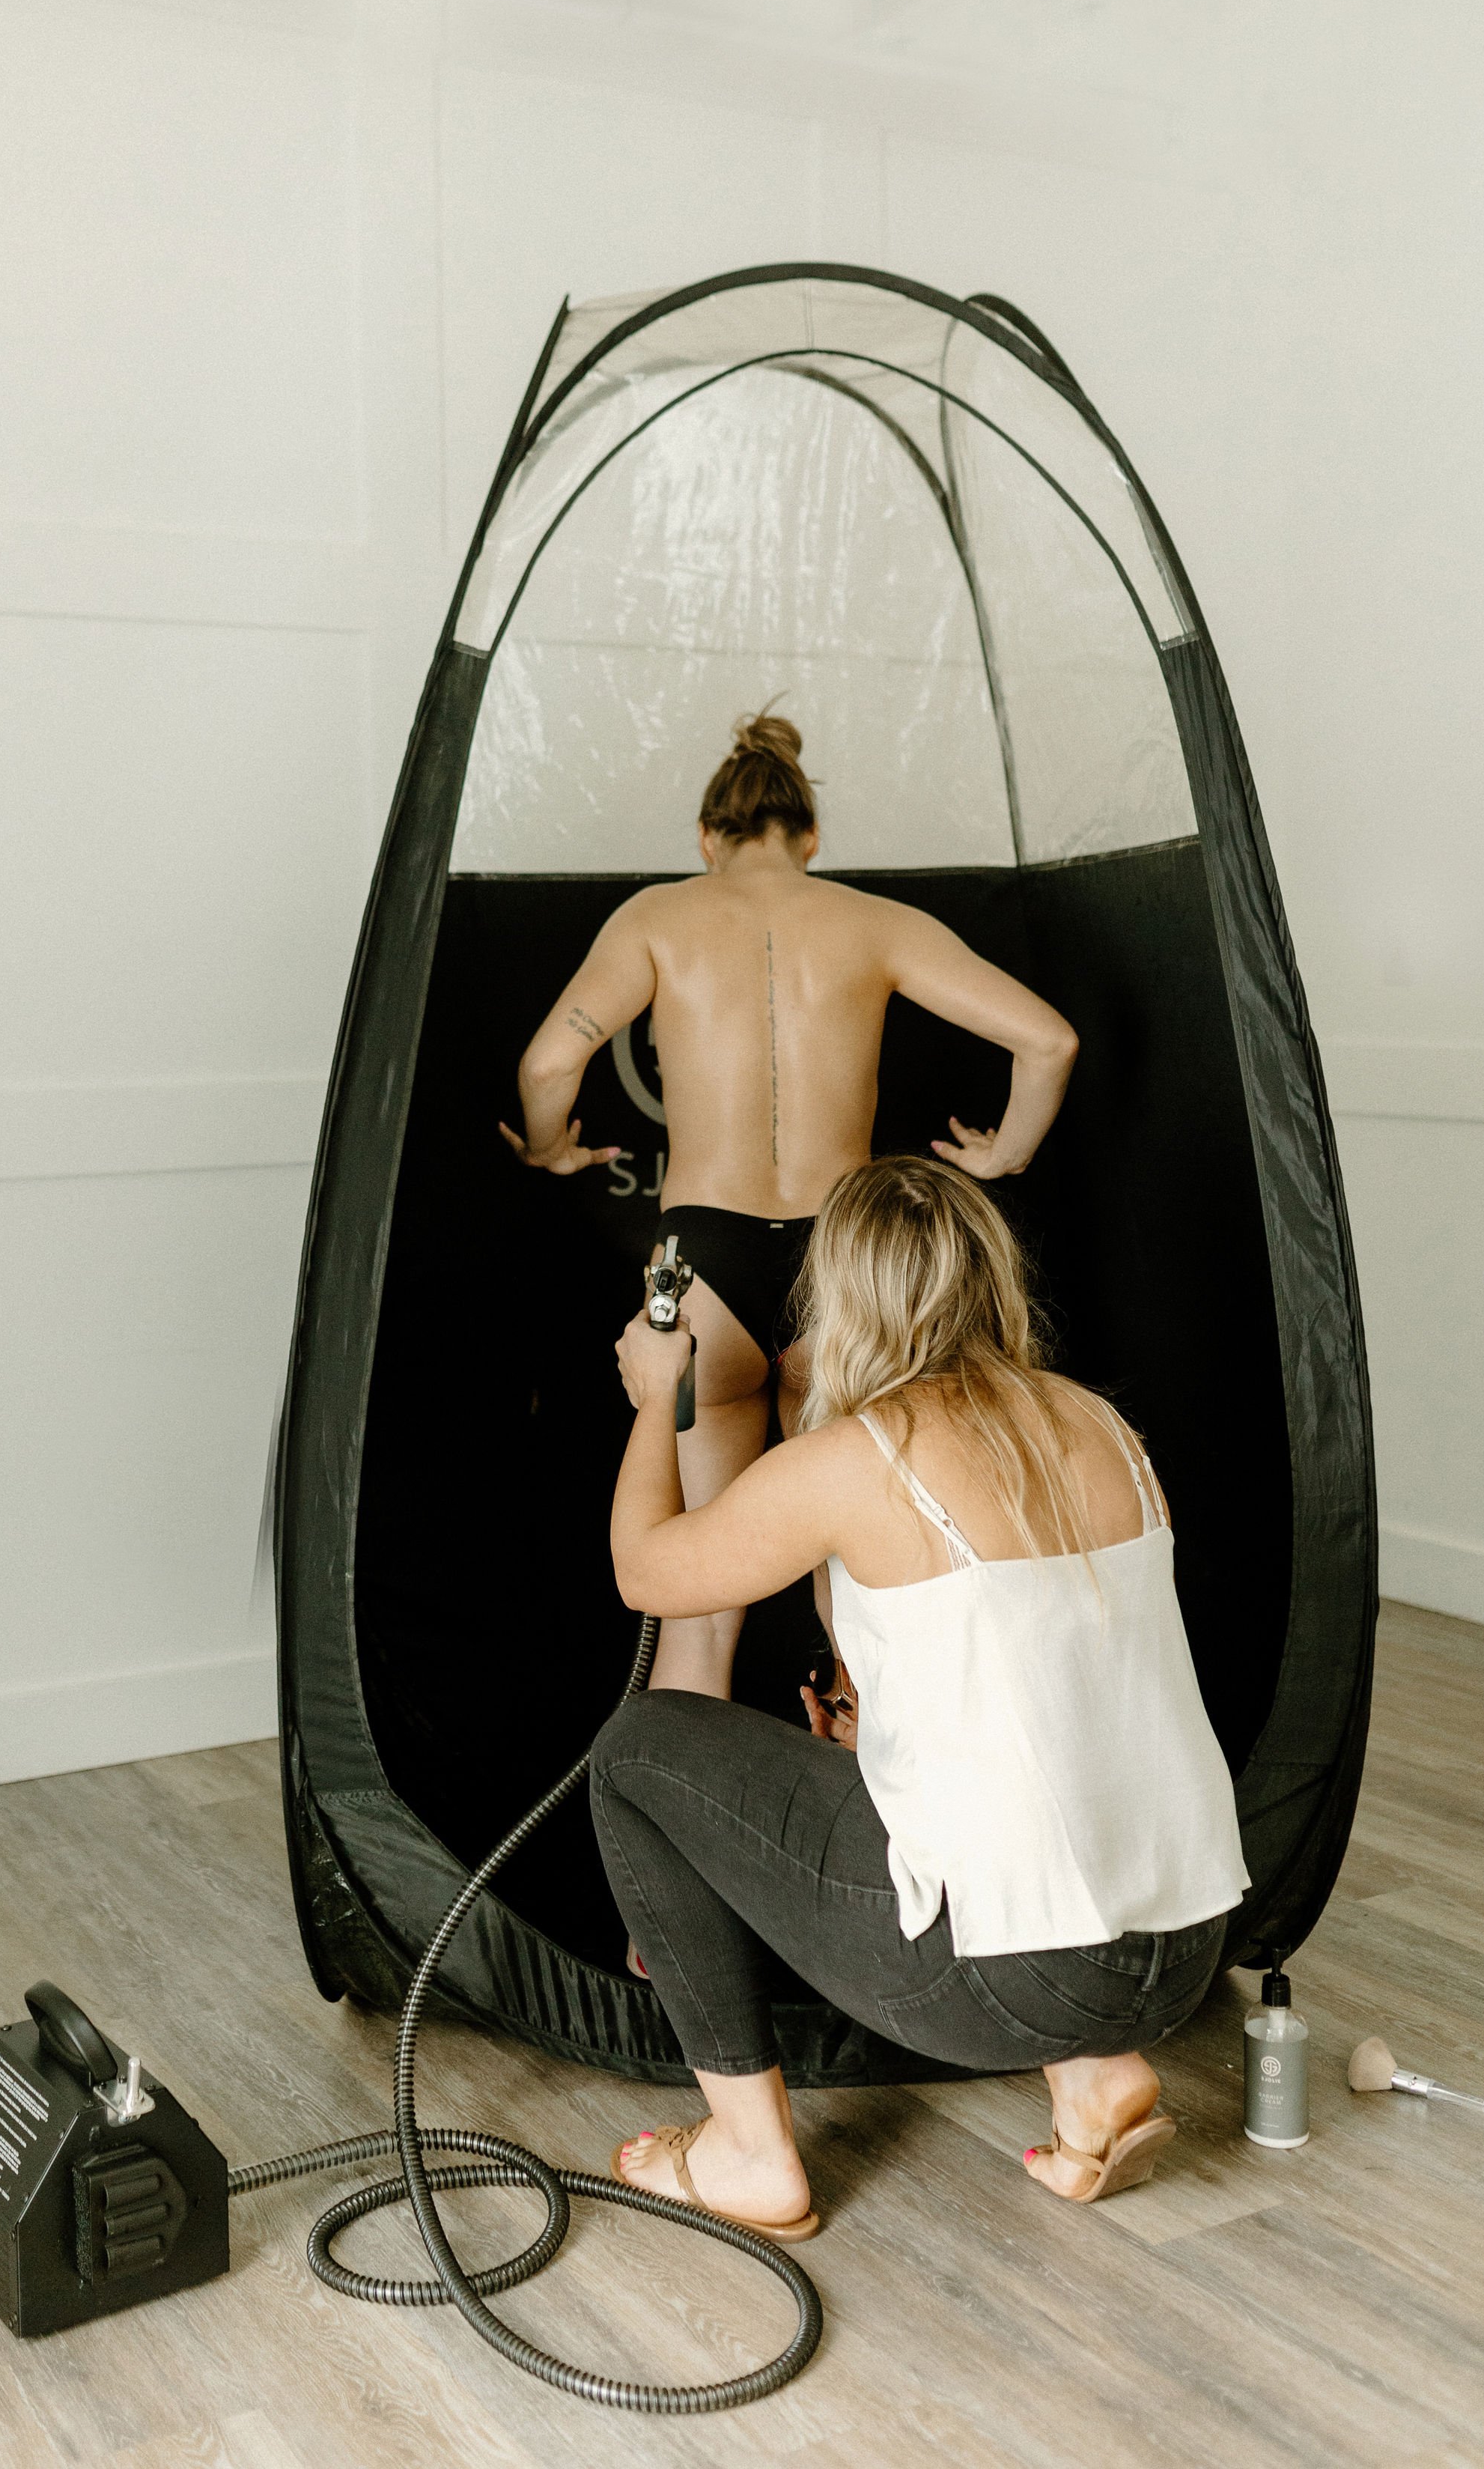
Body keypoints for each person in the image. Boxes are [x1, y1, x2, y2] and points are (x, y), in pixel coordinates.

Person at [590, 1154, 1249, 2230]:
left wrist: (660, 1397)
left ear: (839, 1298)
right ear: (994, 1280)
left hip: (1010, 1982)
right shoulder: (1103, 1430)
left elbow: (645, 1571)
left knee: (638, 1750)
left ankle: (751, 2153)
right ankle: (1094, 2074)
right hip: (1180, 1958)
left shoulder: (857, 1458)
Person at [500, 712, 1080, 1699]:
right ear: (810, 837)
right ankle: (879, 1837)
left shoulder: (657, 917)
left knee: (697, 1599)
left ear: (706, 839)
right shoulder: (874, 922)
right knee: (858, 1578)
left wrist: (554, 1149)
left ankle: (677, 1841)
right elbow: (1049, 1042)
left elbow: (551, 1059)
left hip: (701, 1266)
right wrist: (1005, 1153)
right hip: (842, 1268)